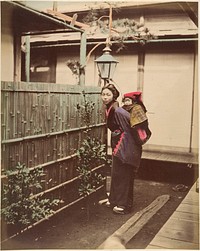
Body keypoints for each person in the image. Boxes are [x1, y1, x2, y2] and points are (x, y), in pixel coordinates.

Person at [101, 84, 142, 214]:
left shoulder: (118, 111)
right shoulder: (110, 107)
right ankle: (113, 199)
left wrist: (123, 143)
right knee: (116, 173)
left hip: (126, 144)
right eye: (103, 94)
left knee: (124, 174)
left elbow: (131, 127)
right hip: (119, 143)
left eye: (108, 94)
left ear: (114, 96)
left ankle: (124, 205)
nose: (105, 97)